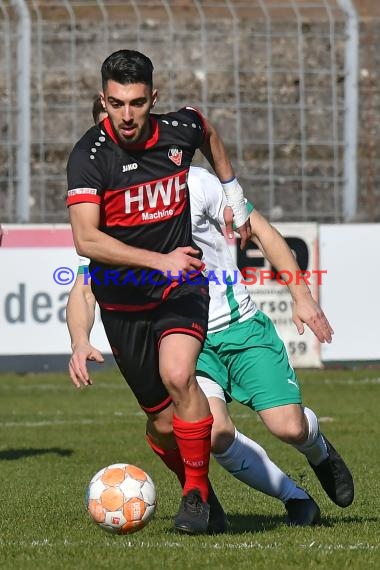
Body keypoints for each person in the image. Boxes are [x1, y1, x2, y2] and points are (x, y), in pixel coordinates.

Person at [87, 100, 354, 513]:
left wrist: (301, 296)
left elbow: (262, 231)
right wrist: (78, 337)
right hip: (183, 336)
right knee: (213, 433)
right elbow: (88, 280)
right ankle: (295, 498)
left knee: (288, 427)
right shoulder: (101, 200)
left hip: (239, 326)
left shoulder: (195, 181)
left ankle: (317, 447)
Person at [66, 49, 251, 535]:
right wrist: (82, 338)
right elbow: (86, 240)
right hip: (123, 300)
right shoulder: (88, 157)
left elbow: (206, 129)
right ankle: (205, 498)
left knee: (178, 374)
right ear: (102, 99)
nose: (126, 116)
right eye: (115, 103)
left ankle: (191, 494)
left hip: (180, 284)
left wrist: (234, 195)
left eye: (137, 103)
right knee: (164, 423)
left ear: (154, 98)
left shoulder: (179, 129)